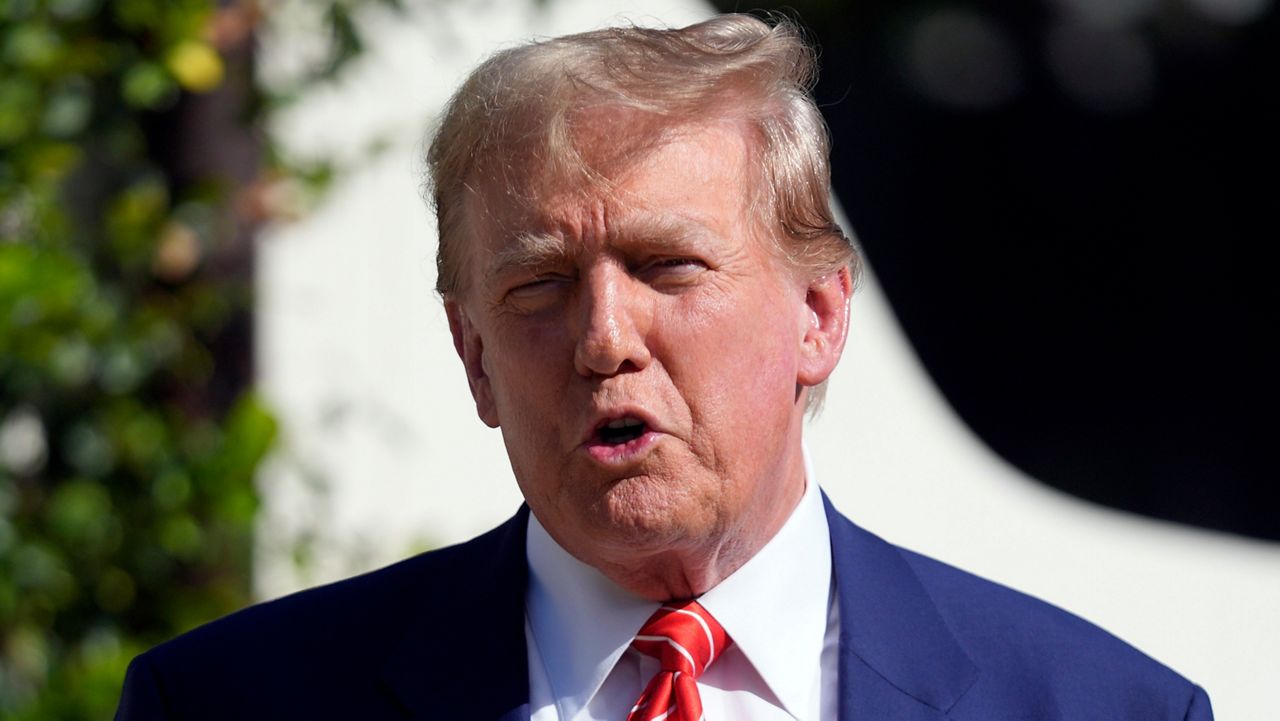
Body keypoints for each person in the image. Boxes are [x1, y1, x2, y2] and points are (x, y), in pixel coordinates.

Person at [115, 14, 1213, 721]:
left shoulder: (1094, 705)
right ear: (474, 358)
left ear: (818, 315)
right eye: (538, 285)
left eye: (665, 265)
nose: (604, 337)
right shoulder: (230, 702)